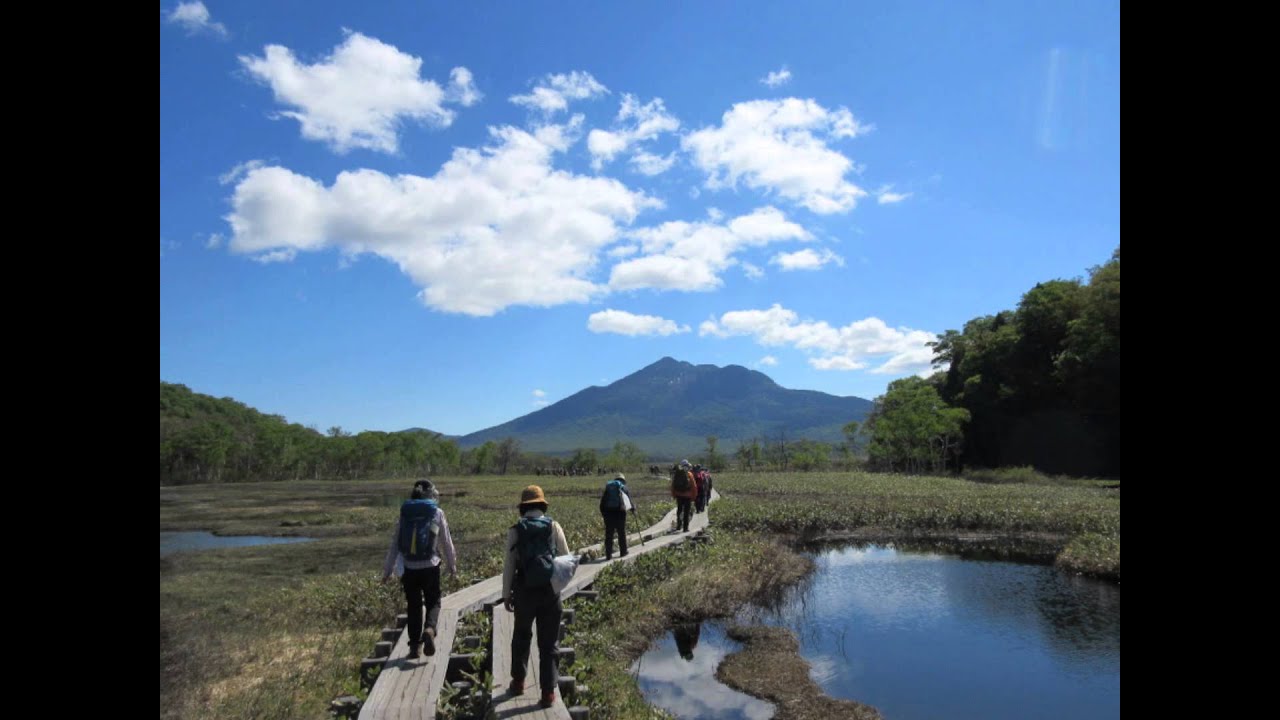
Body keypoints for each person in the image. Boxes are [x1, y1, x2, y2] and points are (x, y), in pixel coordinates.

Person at [503, 485, 571, 708]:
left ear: (523, 507)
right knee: (549, 642)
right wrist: (557, 586)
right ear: (542, 505)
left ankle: (519, 682)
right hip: (549, 592)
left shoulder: (515, 530)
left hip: (524, 590)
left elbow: (509, 565)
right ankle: (548, 693)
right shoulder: (553, 526)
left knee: (521, 636)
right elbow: (565, 559)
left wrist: (506, 595)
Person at [381, 479, 457, 659]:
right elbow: (446, 542)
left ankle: (414, 647)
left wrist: (387, 571)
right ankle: (430, 629)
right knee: (433, 601)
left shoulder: (405, 513)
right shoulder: (436, 512)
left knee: (413, 606)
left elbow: (395, 544)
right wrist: (452, 566)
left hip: (409, 567)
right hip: (431, 565)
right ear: (431, 494)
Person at [599, 473, 637, 560]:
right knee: (621, 533)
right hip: (620, 514)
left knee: (609, 535)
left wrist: (604, 515)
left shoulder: (608, 488)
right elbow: (629, 502)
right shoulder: (623, 488)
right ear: (623, 481)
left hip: (609, 515)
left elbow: (602, 503)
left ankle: (608, 555)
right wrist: (633, 510)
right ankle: (623, 552)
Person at [670, 460, 697, 532]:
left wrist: (674, 494)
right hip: (687, 496)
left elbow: (673, 486)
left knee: (680, 510)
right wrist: (694, 496)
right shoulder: (690, 474)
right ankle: (685, 528)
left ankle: (679, 526)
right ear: (688, 466)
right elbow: (694, 486)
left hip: (679, 495)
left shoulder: (677, 474)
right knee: (686, 512)